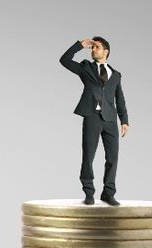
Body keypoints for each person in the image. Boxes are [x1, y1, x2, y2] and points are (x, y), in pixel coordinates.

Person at [59, 37, 130, 206]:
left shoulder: (116, 75)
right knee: (88, 155)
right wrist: (79, 45)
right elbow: (64, 60)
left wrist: (124, 120)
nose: (93, 50)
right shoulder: (86, 67)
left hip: (110, 119)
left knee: (112, 157)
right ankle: (89, 192)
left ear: (106, 52)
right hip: (92, 116)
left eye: (97, 47)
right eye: (92, 48)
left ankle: (108, 193)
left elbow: (120, 99)